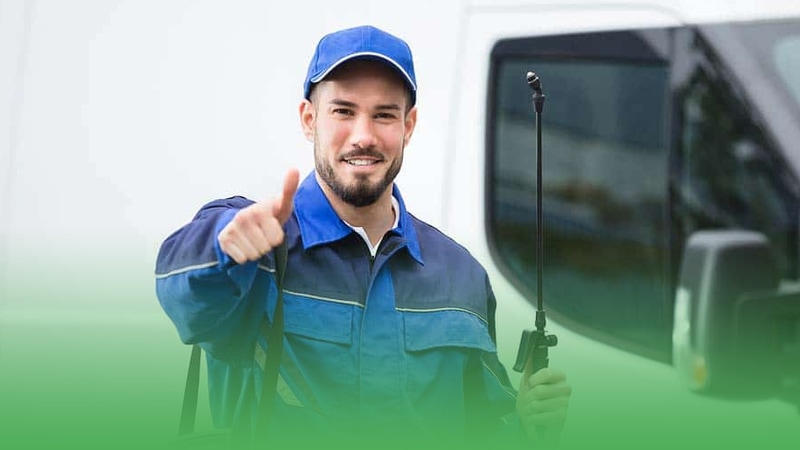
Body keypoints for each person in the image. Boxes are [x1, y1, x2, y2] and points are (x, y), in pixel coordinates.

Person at [155, 24, 571, 448]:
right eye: (343, 111)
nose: (364, 136)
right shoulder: (255, 249)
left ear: (408, 126)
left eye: (384, 114)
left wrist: (524, 426)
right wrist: (222, 244)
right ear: (309, 119)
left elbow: (480, 428)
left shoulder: (460, 276)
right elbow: (182, 290)